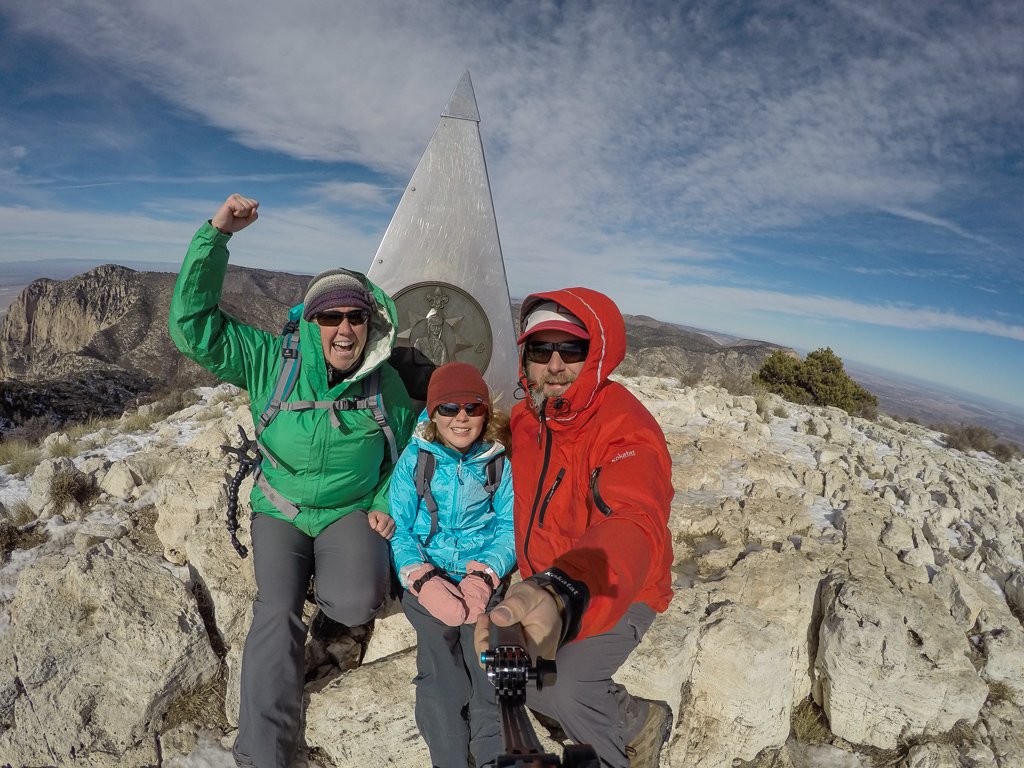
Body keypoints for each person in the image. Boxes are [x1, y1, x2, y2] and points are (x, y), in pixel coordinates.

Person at [169, 194, 415, 768]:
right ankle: (263, 754)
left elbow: (403, 456)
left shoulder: (385, 386)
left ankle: (331, 585)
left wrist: (383, 500)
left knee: (357, 600)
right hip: (280, 507)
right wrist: (216, 236)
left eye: (356, 316)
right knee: (275, 612)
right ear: (311, 321)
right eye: (330, 317)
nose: (345, 329)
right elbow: (194, 329)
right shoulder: (269, 361)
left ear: (371, 322)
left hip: (348, 510)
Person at [474, 291, 675, 768]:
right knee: (510, 672)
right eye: (540, 349)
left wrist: (564, 593)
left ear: (597, 355)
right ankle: (620, 717)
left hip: (615, 587)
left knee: (564, 688)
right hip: (541, 583)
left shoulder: (625, 429)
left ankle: (633, 730)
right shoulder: (526, 418)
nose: (555, 364)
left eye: (572, 349)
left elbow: (633, 519)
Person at [388, 362, 516, 768]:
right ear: (433, 413)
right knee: (442, 676)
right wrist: (420, 577)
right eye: (449, 408)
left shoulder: (498, 461)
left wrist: (485, 573)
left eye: (472, 408)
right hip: (431, 576)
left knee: (488, 677)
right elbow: (400, 528)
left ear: (485, 413)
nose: (461, 418)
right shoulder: (417, 459)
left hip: (481, 580)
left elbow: (510, 526)